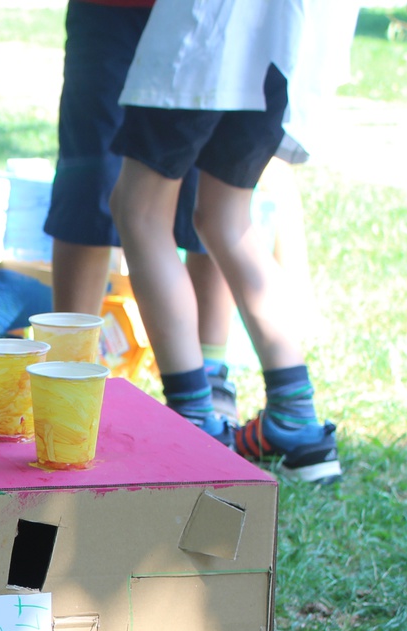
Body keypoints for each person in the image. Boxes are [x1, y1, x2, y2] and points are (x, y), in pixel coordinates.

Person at [108, 0, 354, 483]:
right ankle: (296, 419)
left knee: (139, 211)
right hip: (287, 45)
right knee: (225, 217)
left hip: (208, 34)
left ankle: (194, 424)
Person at [43, 0, 237, 425]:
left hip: (208, 13)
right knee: (91, 179)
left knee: (205, 193)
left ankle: (209, 382)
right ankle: (68, 374)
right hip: (110, 10)